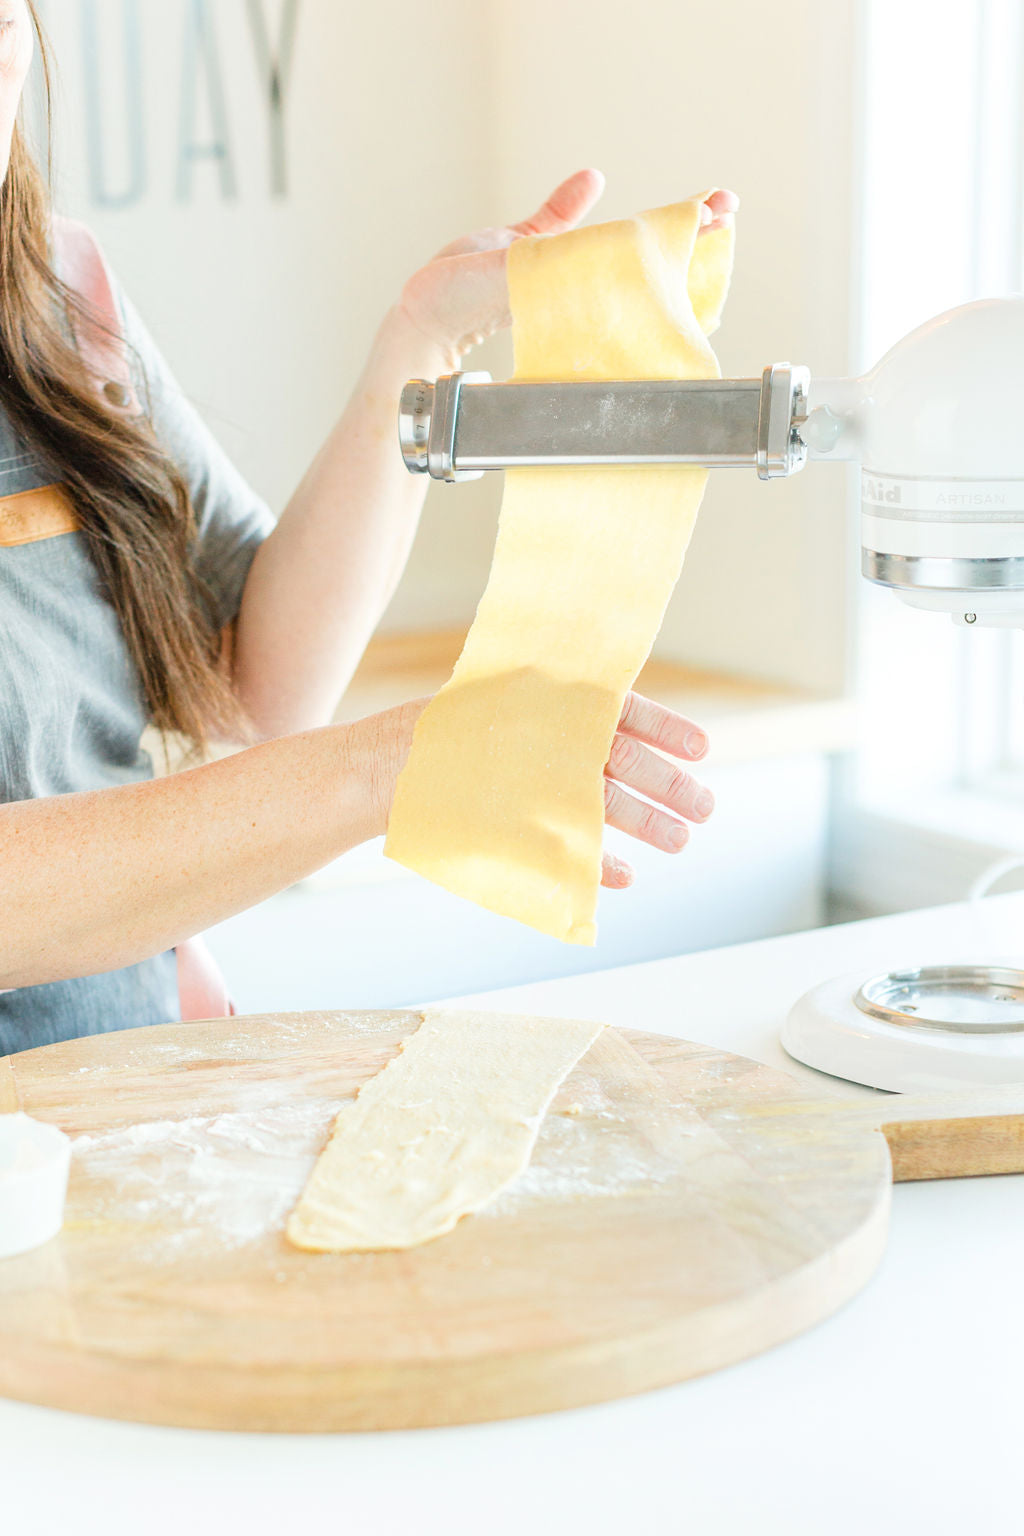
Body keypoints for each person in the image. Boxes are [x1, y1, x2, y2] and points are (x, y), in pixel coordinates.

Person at [0, 1, 738, 1053]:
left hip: (117, 1077)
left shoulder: (60, 294)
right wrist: (397, 762)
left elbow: (261, 685)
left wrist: (424, 338)